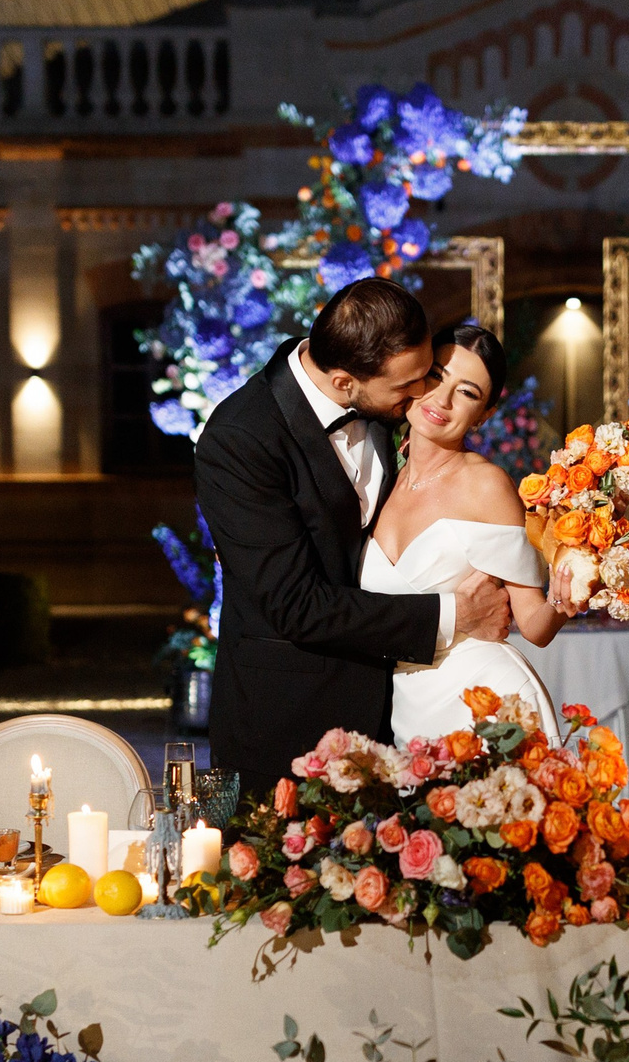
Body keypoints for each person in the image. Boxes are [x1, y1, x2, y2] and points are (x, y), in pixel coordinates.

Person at [195, 278, 512, 795]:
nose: (422, 395)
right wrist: (454, 612)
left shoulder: (382, 400)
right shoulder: (240, 439)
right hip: (286, 727)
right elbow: (296, 604)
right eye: (410, 385)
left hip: (399, 719)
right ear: (345, 382)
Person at [362, 321, 559, 741]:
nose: (442, 399)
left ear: (484, 415)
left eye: (468, 392)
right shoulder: (375, 474)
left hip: (487, 702)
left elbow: (535, 626)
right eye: (437, 376)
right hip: (402, 711)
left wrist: (569, 593)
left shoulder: (487, 486)